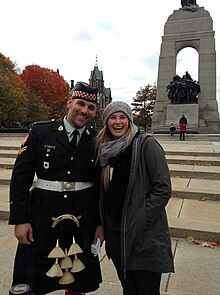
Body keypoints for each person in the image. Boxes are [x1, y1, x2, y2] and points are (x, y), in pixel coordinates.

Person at [9, 82, 104, 295]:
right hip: (42, 214)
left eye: (91, 107)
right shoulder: (41, 131)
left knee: (78, 276)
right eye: (80, 103)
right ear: (70, 102)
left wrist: (99, 223)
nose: (84, 111)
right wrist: (21, 220)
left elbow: (99, 185)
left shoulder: (97, 138)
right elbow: (20, 178)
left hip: (83, 216)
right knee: (35, 276)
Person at [95, 101, 174, 295]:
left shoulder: (147, 144)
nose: (118, 122)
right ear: (106, 122)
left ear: (130, 120)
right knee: (128, 288)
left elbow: (163, 188)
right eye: (113, 117)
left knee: (146, 289)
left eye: (122, 117)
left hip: (143, 236)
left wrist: (142, 217)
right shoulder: (104, 149)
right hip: (115, 235)